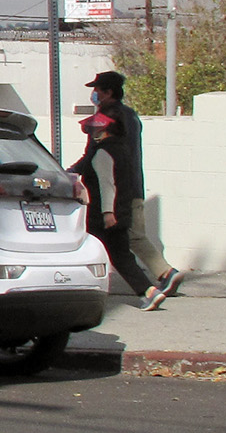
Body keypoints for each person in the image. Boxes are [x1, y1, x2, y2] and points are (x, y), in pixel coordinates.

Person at [87, 70, 186, 309]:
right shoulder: (130, 116)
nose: (95, 94)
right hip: (133, 184)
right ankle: (162, 276)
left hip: (116, 190)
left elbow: (95, 155)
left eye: (98, 90)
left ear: (108, 92)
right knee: (129, 237)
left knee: (126, 237)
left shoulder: (106, 120)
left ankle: (163, 275)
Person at [71, 111, 156, 300]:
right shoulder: (122, 150)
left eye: (94, 130)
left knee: (87, 250)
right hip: (122, 211)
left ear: (103, 131)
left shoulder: (102, 153)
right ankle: (149, 291)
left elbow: (106, 184)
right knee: (122, 256)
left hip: (103, 216)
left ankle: (80, 291)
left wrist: (107, 212)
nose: (91, 134)